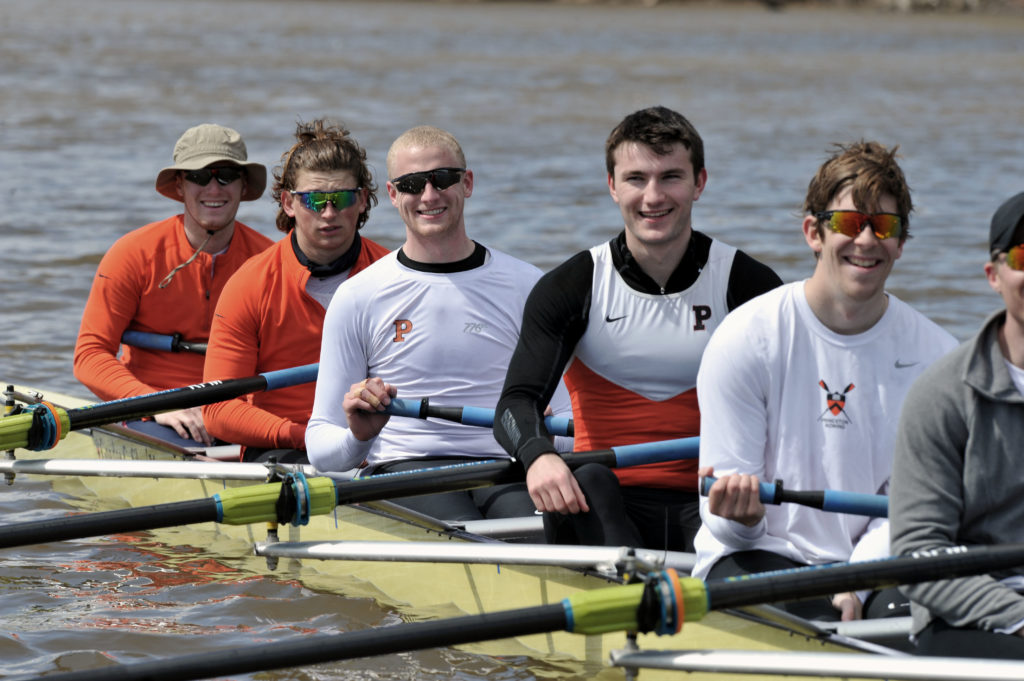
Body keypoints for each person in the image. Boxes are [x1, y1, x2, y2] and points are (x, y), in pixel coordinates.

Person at [493, 106, 783, 552]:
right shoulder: (572, 287)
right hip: (604, 502)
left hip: (713, 503)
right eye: (636, 179)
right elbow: (515, 404)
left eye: (671, 177)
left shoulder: (748, 285)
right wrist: (538, 456)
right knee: (585, 476)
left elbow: (792, 410)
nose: (653, 196)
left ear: (699, 183)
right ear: (612, 186)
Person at [693, 140, 958, 622]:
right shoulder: (746, 338)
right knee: (807, 613)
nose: (866, 241)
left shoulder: (938, 359)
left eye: (884, 226)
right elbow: (720, 513)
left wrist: (855, 581)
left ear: (900, 242)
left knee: (933, 612)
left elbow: (913, 510)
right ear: (813, 232)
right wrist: (746, 520)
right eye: (849, 223)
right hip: (759, 552)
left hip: (878, 564)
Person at [305, 125, 571, 521]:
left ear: (467, 183)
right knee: (471, 536)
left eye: (443, 179)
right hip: (402, 468)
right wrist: (360, 435)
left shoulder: (529, 285)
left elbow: (572, 425)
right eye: (412, 184)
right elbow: (321, 448)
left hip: (509, 465)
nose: (429, 196)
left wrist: (550, 437)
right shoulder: (359, 295)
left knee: (548, 530)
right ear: (394, 195)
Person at [74, 124, 273, 448]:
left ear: (243, 184)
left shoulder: (269, 262)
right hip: (151, 411)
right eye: (198, 175)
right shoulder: (132, 254)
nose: (213, 188)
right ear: (179, 185)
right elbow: (89, 356)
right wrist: (160, 404)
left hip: (238, 412)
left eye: (225, 175)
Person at [202, 119, 389, 463]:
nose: (329, 213)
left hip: (380, 444)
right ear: (288, 203)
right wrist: (310, 438)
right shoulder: (251, 284)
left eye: (341, 198)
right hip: (284, 444)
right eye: (315, 201)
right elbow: (217, 409)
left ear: (362, 200)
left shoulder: (394, 277)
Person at [889, 192, 1024, 657]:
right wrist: (1018, 617)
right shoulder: (942, 395)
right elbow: (918, 552)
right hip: (972, 607)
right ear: (994, 275)